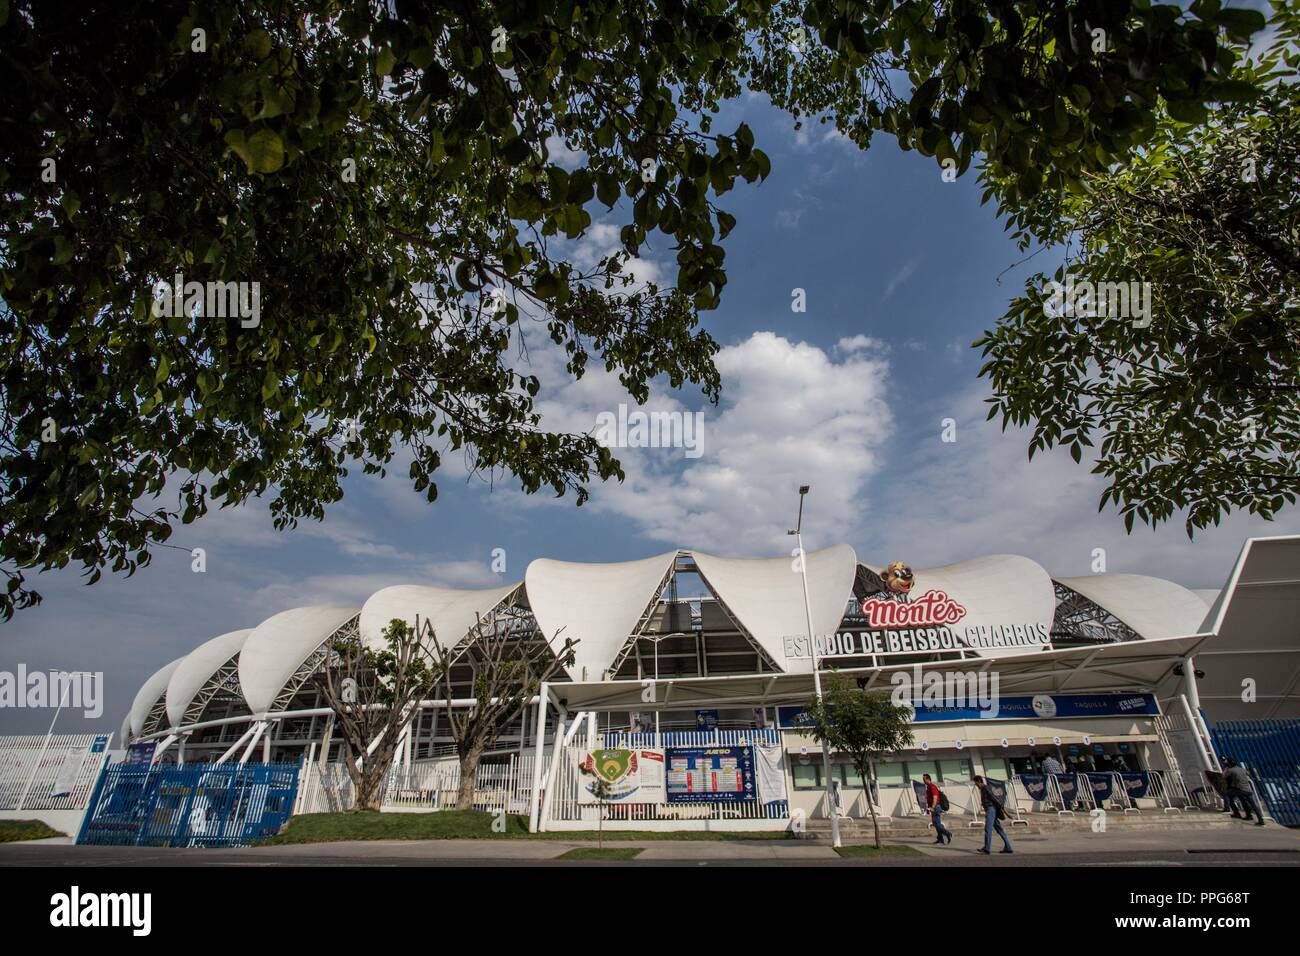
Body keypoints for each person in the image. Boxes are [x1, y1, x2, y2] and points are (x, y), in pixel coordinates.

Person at [974, 775, 1013, 855]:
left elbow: (995, 799)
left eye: (976, 783)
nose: (976, 785)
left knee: (988, 829)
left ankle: (987, 849)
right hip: (990, 810)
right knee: (999, 829)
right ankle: (1008, 847)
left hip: (991, 810)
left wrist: (1006, 812)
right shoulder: (983, 789)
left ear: (979, 781)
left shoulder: (986, 788)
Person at [1222, 759, 1267, 826]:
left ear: (1229, 765)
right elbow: (1248, 773)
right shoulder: (1242, 769)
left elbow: (1223, 776)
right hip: (1248, 790)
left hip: (1240, 789)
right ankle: (1260, 820)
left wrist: (1226, 768)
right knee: (1253, 805)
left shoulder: (1231, 770)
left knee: (1226, 794)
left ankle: (1234, 812)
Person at [923, 773, 952, 845]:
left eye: (924, 779)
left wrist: (932, 807)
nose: (923, 781)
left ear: (928, 779)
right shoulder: (929, 787)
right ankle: (940, 839)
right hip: (933, 808)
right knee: (935, 823)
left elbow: (935, 797)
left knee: (937, 824)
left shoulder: (932, 787)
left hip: (936, 807)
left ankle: (948, 833)